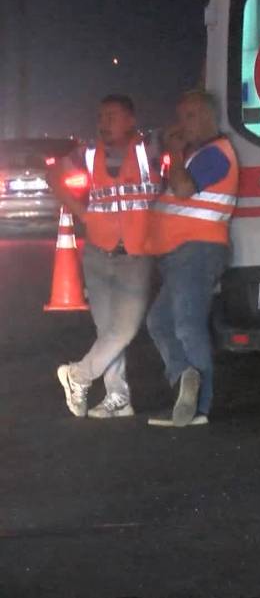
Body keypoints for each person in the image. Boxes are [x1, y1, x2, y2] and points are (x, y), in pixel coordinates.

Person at [49, 95, 164, 419]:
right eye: (101, 116)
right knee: (107, 331)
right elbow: (54, 176)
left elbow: (178, 137)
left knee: (123, 330)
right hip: (99, 254)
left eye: (112, 116)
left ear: (131, 120)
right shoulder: (88, 154)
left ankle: (78, 375)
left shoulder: (148, 149)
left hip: (136, 256)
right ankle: (118, 396)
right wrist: (81, 213)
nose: (104, 122)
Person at [145, 90, 239, 428]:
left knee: (186, 324)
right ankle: (185, 378)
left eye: (187, 116)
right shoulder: (200, 154)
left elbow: (183, 190)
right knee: (161, 322)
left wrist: (173, 150)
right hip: (183, 253)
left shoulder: (216, 153)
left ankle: (199, 406)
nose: (180, 124)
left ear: (205, 116)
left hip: (197, 250)